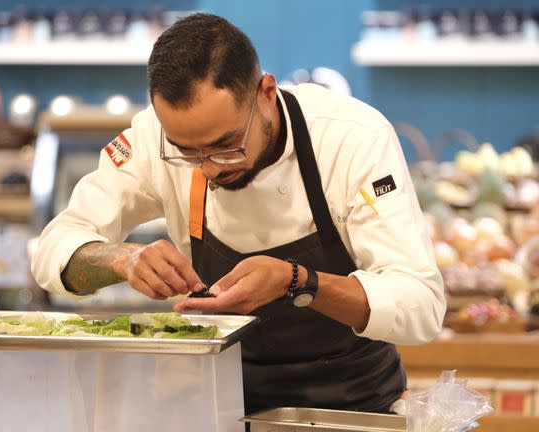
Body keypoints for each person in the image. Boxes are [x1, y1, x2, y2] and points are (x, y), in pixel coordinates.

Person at [31, 13, 445, 414]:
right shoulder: (151, 140)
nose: (210, 168)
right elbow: (53, 250)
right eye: (188, 153)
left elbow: (421, 306)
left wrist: (297, 280)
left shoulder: (351, 139)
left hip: (352, 405)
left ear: (266, 93)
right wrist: (122, 259)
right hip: (219, 404)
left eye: (227, 144)